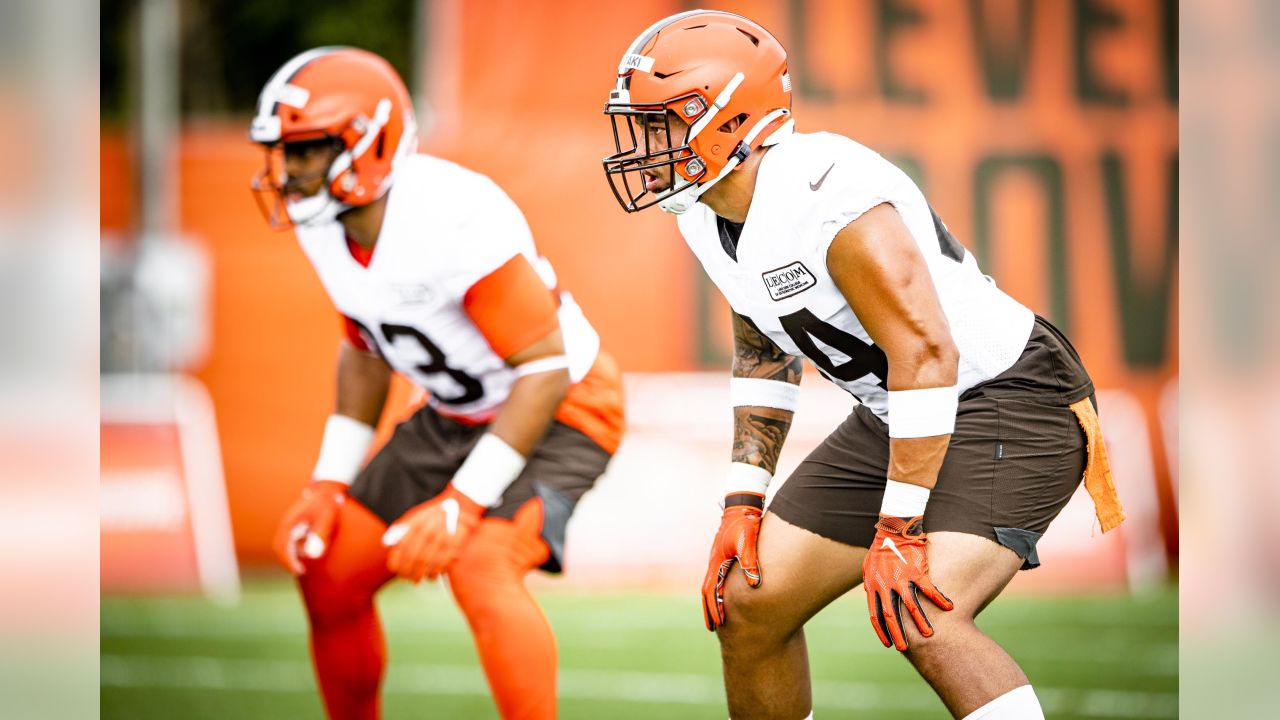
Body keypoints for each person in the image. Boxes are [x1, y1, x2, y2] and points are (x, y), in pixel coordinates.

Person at [601, 11, 1123, 720]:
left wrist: (898, 530)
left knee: (924, 611)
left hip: (1008, 396)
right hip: (900, 409)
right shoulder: (703, 209)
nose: (648, 144)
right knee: (749, 606)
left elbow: (927, 352)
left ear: (732, 121)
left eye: (663, 123)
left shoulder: (825, 194)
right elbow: (763, 349)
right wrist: (742, 497)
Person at [248, 46, 625, 720]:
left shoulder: (453, 216)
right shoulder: (327, 222)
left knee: (481, 565)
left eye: (306, 149)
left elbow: (544, 367)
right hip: (458, 410)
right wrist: (327, 482)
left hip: (564, 402)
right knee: (329, 575)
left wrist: (461, 499)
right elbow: (365, 346)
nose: (290, 170)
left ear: (371, 143)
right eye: (286, 150)